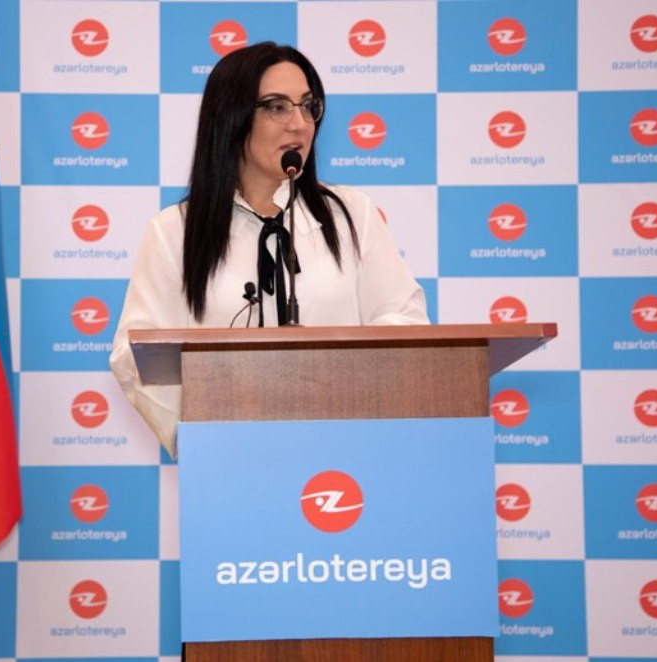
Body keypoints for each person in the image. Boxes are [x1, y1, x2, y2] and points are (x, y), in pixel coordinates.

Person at [109, 42, 428, 458]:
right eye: (277, 107)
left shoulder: (352, 214)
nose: (299, 124)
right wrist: (203, 440)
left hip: (347, 455)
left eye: (308, 106)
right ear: (232, 118)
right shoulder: (176, 232)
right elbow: (135, 356)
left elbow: (404, 323)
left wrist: (333, 372)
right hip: (230, 459)